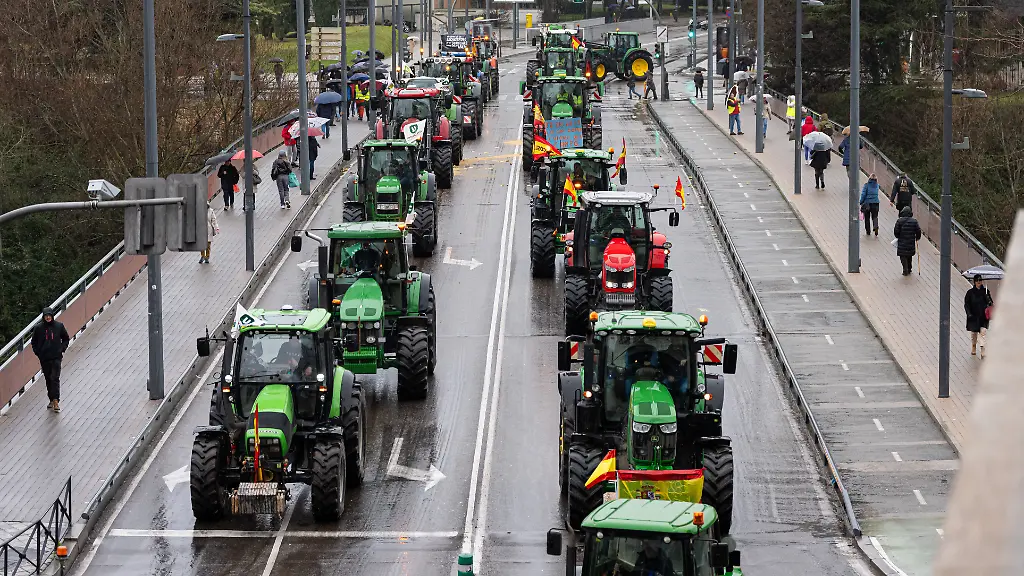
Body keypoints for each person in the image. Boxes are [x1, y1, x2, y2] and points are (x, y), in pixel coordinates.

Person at [31, 307, 70, 413]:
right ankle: (51, 399)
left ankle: (56, 400)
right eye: (46, 316)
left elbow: (66, 338)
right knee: (48, 379)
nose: (48, 317)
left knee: (55, 378)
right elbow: (33, 342)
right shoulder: (38, 328)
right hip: (44, 358)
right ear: (43, 317)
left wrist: (61, 349)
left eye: (49, 315)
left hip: (56, 357)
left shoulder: (59, 326)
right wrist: (38, 353)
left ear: (52, 316)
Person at [964, 274, 994, 358]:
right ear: (974, 282)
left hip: (983, 317)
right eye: (977, 281)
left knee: (983, 333)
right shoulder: (970, 292)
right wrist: (969, 313)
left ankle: (982, 350)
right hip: (973, 316)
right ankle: (973, 346)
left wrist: (988, 299)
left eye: (980, 280)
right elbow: (966, 304)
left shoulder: (986, 291)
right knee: (974, 333)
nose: (979, 282)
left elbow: (991, 303)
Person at [893, 207, 922, 276]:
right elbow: (918, 231)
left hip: (902, 241)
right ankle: (909, 268)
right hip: (911, 241)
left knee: (903, 255)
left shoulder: (899, 221)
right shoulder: (914, 221)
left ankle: (905, 269)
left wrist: (898, 236)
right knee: (909, 255)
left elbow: (896, 231)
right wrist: (917, 238)